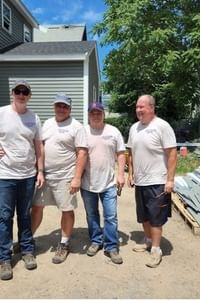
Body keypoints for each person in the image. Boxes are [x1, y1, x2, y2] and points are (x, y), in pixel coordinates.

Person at [31, 93, 88, 264]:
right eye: (58, 105)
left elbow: (82, 153)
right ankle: (28, 240)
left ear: (70, 108)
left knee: (66, 209)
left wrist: (77, 177)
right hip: (46, 176)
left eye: (64, 106)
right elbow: (39, 145)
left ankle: (64, 243)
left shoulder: (76, 127)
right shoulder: (47, 123)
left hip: (65, 176)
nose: (61, 109)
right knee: (36, 207)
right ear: (54, 107)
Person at [0, 80, 44, 280]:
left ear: (29, 96)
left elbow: (38, 147)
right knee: (4, 217)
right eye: (18, 91)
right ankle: (4, 259)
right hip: (5, 176)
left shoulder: (34, 118)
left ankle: (27, 251)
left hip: (27, 176)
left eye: (25, 92)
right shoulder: (2, 113)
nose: (21, 94)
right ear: (12, 93)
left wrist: (40, 171)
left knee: (25, 215)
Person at [127, 94, 177, 268]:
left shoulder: (162, 126)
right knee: (144, 216)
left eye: (142, 107)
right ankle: (148, 240)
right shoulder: (134, 128)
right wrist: (131, 173)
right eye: (137, 107)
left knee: (156, 218)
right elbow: (131, 153)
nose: (139, 110)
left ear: (152, 107)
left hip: (158, 181)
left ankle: (156, 250)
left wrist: (170, 180)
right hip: (140, 181)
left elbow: (172, 154)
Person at [80, 102, 125, 264]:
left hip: (109, 182)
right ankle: (96, 241)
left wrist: (121, 174)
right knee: (92, 215)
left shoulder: (113, 131)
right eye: (93, 112)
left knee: (111, 216)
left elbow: (121, 153)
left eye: (99, 112)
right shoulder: (82, 132)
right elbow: (75, 154)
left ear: (104, 114)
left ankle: (111, 246)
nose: (96, 115)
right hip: (87, 183)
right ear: (88, 114)